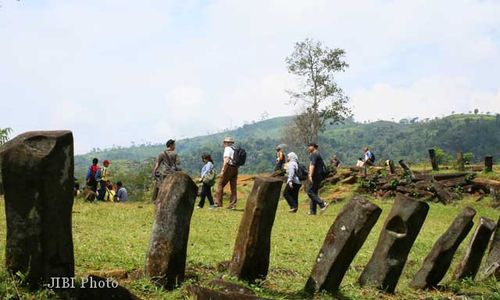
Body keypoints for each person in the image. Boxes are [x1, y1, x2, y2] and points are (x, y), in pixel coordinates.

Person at [215, 137, 239, 209]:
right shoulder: (234, 149)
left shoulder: (227, 149)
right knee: (233, 187)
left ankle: (218, 203)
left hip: (228, 167)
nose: (224, 144)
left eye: (225, 142)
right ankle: (232, 204)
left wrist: (223, 169)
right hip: (235, 168)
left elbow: (226, 159)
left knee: (220, 184)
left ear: (226, 143)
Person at [307, 143, 328, 215]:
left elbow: (313, 165)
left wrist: (310, 175)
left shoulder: (314, 154)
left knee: (309, 191)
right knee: (314, 192)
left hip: (315, 176)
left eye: (309, 146)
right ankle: (313, 211)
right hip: (319, 176)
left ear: (313, 147)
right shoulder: (317, 154)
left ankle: (322, 204)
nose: (308, 148)